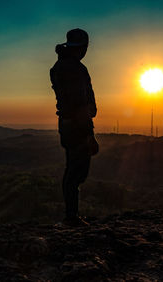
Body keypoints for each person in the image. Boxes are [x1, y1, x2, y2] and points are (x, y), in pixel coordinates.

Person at [50, 28, 98, 227]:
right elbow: (80, 103)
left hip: (66, 125)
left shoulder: (59, 66)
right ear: (83, 47)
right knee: (77, 171)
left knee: (73, 169)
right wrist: (89, 134)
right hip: (78, 126)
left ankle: (71, 214)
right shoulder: (76, 69)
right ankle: (71, 217)